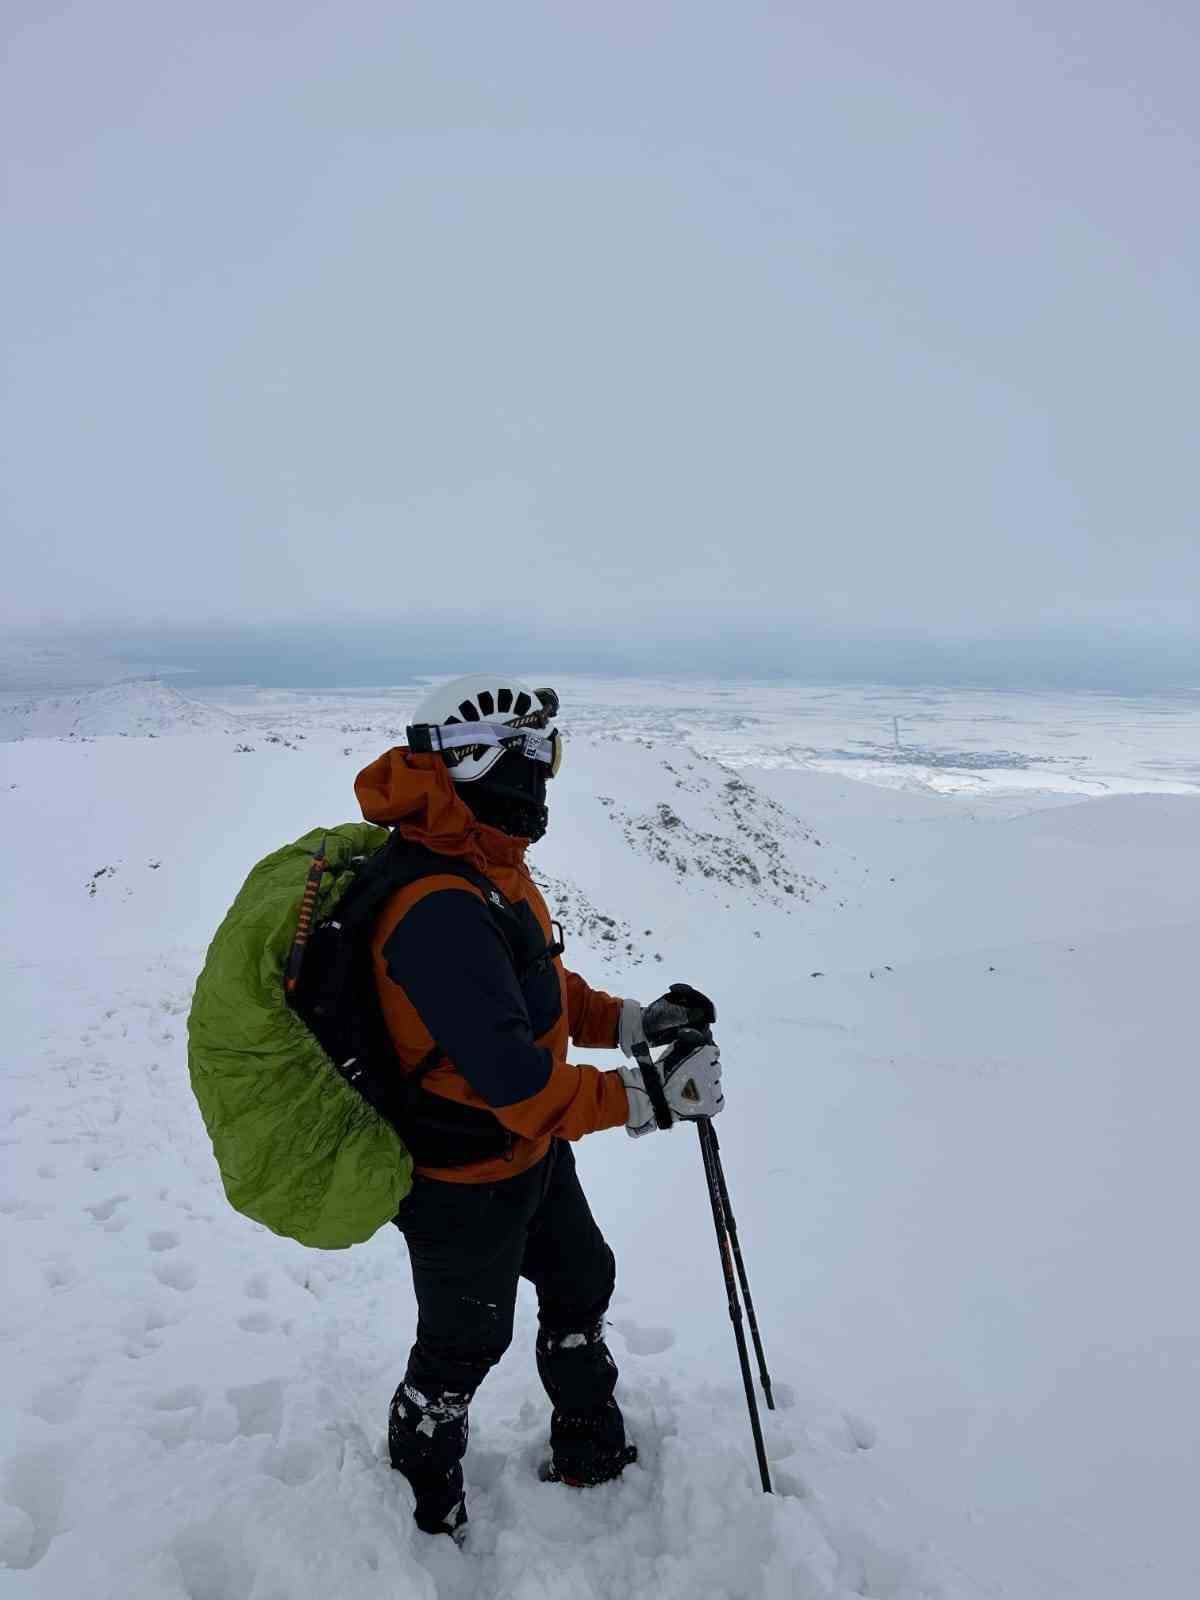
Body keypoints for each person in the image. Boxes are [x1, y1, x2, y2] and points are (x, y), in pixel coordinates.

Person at [352, 673, 724, 1543]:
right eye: (530, 759)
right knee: (461, 1348)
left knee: (580, 1278)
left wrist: (635, 1021)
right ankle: (421, 1509)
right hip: (461, 1178)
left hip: (528, 1156)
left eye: (547, 757)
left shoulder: (490, 868)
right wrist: (653, 1099)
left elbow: (541, 993)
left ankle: (590, 1446)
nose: (543, 779)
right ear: (472, 762)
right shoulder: (436, 910)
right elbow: (520, 1088)